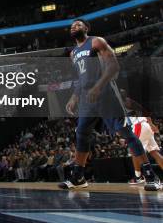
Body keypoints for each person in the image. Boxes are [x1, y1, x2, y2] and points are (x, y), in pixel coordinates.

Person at [60, 19, 160, 191]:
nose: (74, 27)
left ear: (87, 28)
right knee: (82, 133)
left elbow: (113, 65)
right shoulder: (73, 53)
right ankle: (78, 177)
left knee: (125, 132)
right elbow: (79, 78)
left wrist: (98, 86)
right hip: (86, 98)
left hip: (105, 92)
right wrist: (74, 97)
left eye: (78, 24)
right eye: (72, 26)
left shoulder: (96, 41)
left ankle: (151, 175)